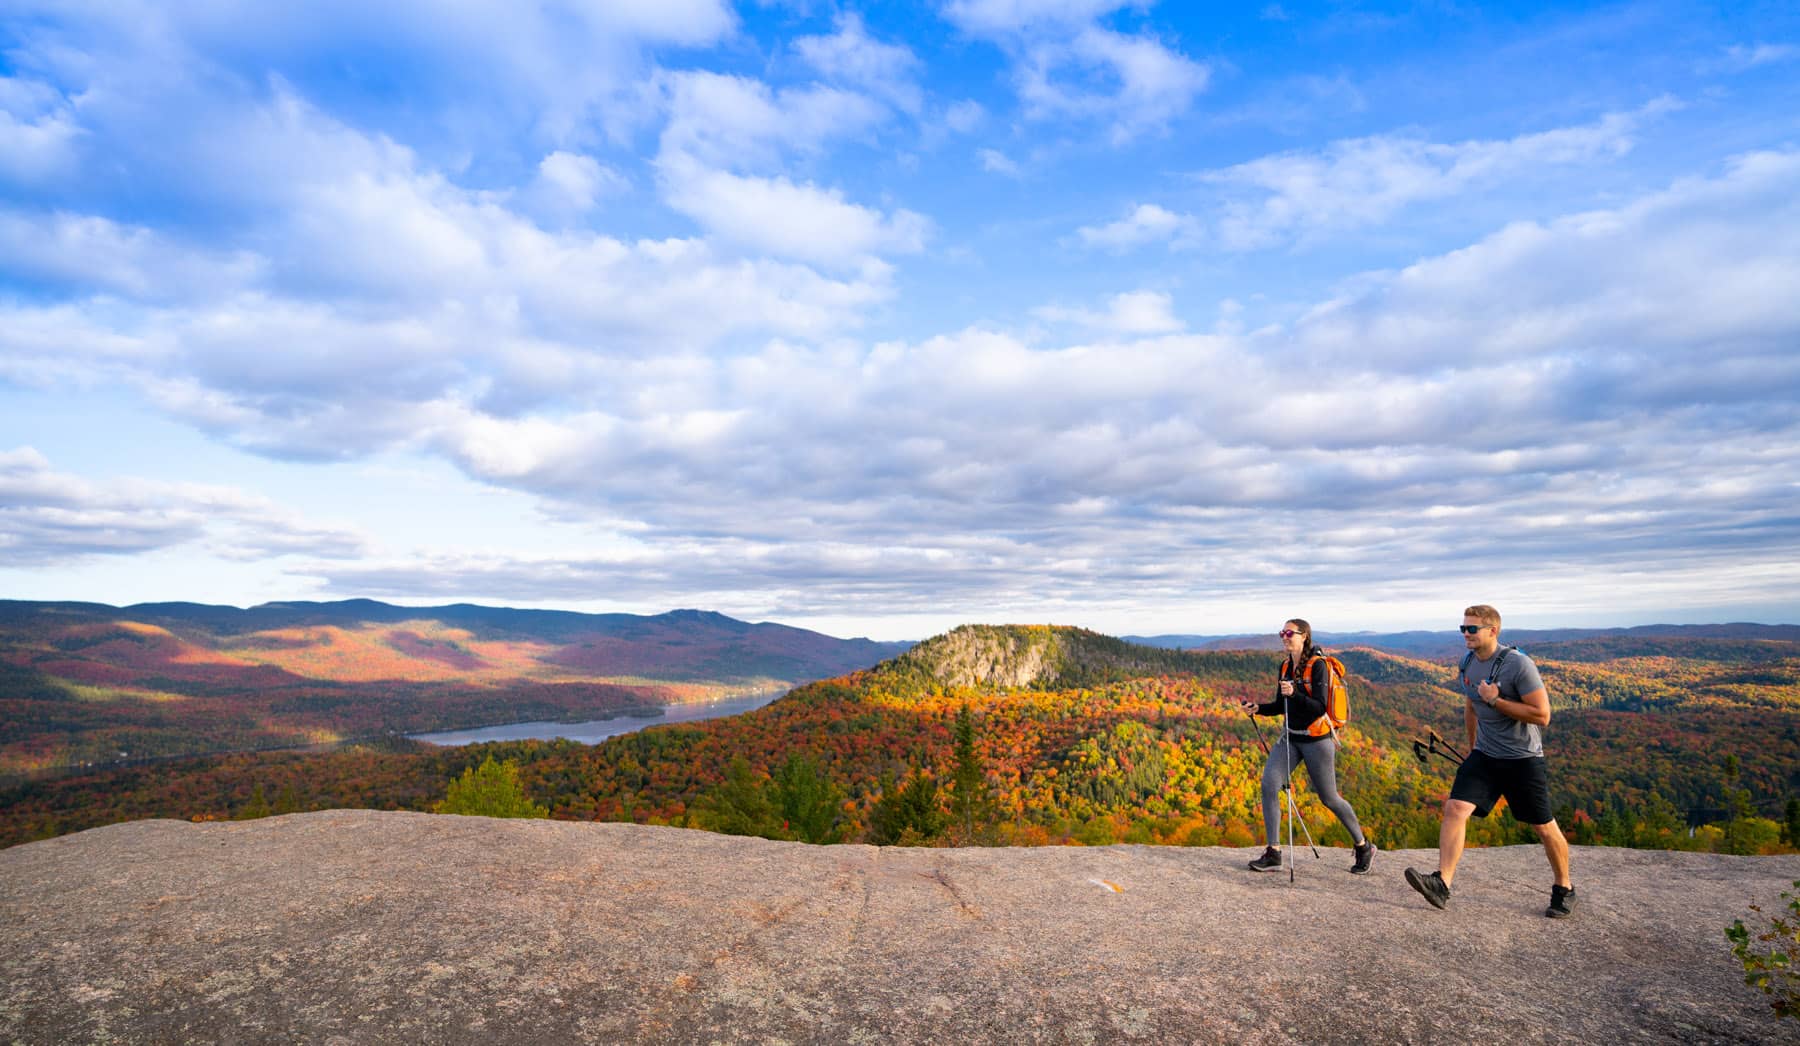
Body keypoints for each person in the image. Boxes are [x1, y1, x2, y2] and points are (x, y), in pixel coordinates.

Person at [1404, 605, 1576, 918]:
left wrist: (1497, 700)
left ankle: (1564, 888)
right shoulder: (1467, 663)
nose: (1466, 634)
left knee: (1543, 826)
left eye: (1472, 629)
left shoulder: (1519, 666)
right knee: (1455, 807)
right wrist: (1472, 750)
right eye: (1463, 629)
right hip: (1485, 755)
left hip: (1522, 758)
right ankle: (1442, 882)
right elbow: (1470, 706)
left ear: (1492, 631)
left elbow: (1543, 715)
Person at [1239, 618, 1376, 875]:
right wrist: (1258, 709)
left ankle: (1363, 845)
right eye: (1282, 632)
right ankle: (1274, 852)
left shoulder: (1319, 666)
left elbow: (1319, 708)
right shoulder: (1284, 666)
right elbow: (1281, 705)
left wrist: (1295, 694)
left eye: (1290, 633)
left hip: (1317, 740)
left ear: (1305, 636)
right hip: (1290, 738)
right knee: (1269, 783)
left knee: (1329, 798)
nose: (1285, 637)